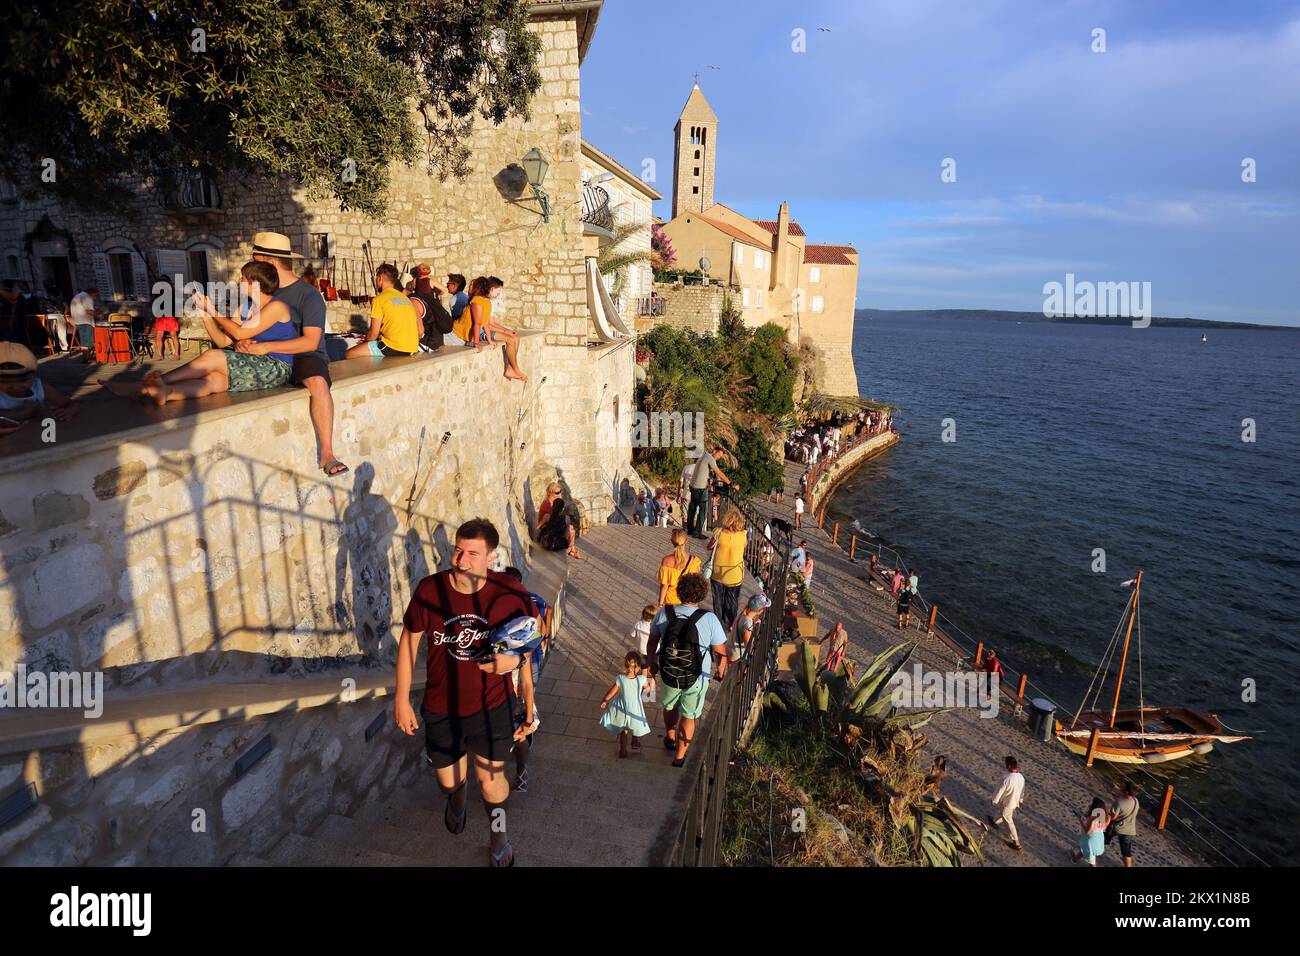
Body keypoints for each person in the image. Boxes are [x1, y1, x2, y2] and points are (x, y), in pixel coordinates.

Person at [394, 518, 534, 867]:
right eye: (458, 550)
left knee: (492, 785)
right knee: (448, 782)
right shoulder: (430, 590)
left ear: (490, 557)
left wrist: (512, 662)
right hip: (441, 706)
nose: (461, 559)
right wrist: (400, 698)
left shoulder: (510, 593)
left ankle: (499, 838)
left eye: (473, 553)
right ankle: (457, 799)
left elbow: (533, 635)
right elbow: (410, 639)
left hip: (492, 707)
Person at [105, 261, 296, 404]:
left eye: (242, 278)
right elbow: (223, 340)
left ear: (254, 282)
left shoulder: (276, 306)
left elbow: (238, 334)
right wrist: (205, 315)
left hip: (275, 367)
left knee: (212, 356)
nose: (239, 281)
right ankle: (167, 392)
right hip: (253, 363)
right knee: (214, 381)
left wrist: (212, 310)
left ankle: (146, 385)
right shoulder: (243, 307)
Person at [247, 232, 348, 478]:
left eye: (255, 258)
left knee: (317, 381)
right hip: (266, 351)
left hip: (304, 354)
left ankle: (327, 454)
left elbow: (311, 340)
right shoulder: (260, 292)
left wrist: (267, 347)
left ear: (269, 263)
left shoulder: (308, 295)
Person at [646, 572, 728, 767]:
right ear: (702, 594)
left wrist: (652, 662)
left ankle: (670, 735)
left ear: (680, 591)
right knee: (690, 715)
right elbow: (720, 651)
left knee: (670, 706)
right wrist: (721, 669)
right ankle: (679, 757)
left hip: (669, 671)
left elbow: (652, 642)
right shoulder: (710, 619)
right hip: (697, 677)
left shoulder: (665, 613)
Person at [451, 276, 526, 382]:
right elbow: (482, 324)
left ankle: (511, 367)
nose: (499, 293)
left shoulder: (485, 302)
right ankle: (514, 369)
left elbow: (486, 322)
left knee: (515, 338)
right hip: (466, 333)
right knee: (511, 339)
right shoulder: (477, 301)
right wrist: (477, 342)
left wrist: (504, 331)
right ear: (490, 289)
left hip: (477, 332)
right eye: (498, 290)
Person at [345, 263, 419, 358]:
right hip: (411, 348)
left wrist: (364, 342)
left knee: (349, 354)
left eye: (376, 278)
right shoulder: (405, 299)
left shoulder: (379, 299)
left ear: (380, 279)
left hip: (393, 347)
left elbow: (373, 334)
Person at [0, 342, 78, 425]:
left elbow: (70, 403)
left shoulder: (39, 387)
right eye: (4, 381)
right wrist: (26, 412)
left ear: (33, 376)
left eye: (23, 380)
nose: (15, 386)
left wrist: (67, 412)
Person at [598, 650, 653, 759]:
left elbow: (612, 692)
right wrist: (649, 685)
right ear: (638, 667)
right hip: (635, 708)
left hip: (622, 707)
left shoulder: (620, 679)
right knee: (635, 725)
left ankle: (623, 751)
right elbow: (648, 689)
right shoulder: (641, 679)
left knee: (624, 731)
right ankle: (635, 741)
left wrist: (605, 700)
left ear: (625, 664)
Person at [707, 508, 747, 631]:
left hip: (718, 572)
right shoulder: (743, 535)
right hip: (735, 573)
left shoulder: (718, 532)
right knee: (733, 600)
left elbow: (709, 547)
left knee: (718, 598)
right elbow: (744, 548)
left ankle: (717, 622)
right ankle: (730, 623)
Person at [685, 445, 730, 537]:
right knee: (703, 511)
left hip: (693, 486)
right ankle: (697, 533)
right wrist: (730, 483)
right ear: (714, 451)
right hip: (700, 488)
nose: (718, 458)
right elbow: (718, 472)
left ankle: (690, 529)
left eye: (720, 457)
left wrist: (707, 478)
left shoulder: (703, 455)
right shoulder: (710, 458)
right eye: (718, 455)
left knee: (692, 508)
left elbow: (702, 469)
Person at [988, 755, 1025, 851]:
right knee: (1004, 814)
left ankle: (1016, 842)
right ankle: (994, 821)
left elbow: (999, 791)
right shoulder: (1021, 777)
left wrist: (994, 800)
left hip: (1007, 803)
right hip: (1014, 801)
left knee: (1008, 820)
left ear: (1009, 766)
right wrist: (1020, 799)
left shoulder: (1007, 778)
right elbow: (1022, 790)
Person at [657, 528, 701, 608]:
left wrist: (660, 603)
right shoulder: (695, 561)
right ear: (686, 541)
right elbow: (695, 585)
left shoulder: (666, 561)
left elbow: (664, 586)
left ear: (671, 541)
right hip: (688, 601)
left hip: (670, 601)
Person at [1071, 797, 1112, 866]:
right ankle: (1075, 859)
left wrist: (1080, 820)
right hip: (1099, 838)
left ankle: (1075, 859)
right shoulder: (1108, 817)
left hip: (1091, 839)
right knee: (1086, 850)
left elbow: (1087, 831)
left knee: (1092, 862)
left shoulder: (1092, 819)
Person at [731, 593, 769, 663]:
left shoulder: (742, 613)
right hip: (737, 657)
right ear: (761, 610)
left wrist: (753, 625)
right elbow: (748, 645)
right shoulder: (747, 622)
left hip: (732, 650)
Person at [1110, 781, 1139, 867]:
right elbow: (1125, 804)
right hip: (1130, 829)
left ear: (1126, 791)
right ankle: (1127, 861)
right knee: (1126, 850)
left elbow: (1114, 817)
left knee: (1103, 838)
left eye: (1122, 788)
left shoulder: (1119, 802)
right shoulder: (1136, 800)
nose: (1120, 788)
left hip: (1118, 828)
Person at [68, 286, 99, 358]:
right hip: (86, 321)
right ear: (92, 293)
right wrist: (98, 315)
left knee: (84, 340)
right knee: (87, 341)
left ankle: (87, 356)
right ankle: (87, 357)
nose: (95, 298)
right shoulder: (87, 297)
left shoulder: (78, 296)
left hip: (78, 320)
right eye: (96, 295)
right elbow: (89, 311)